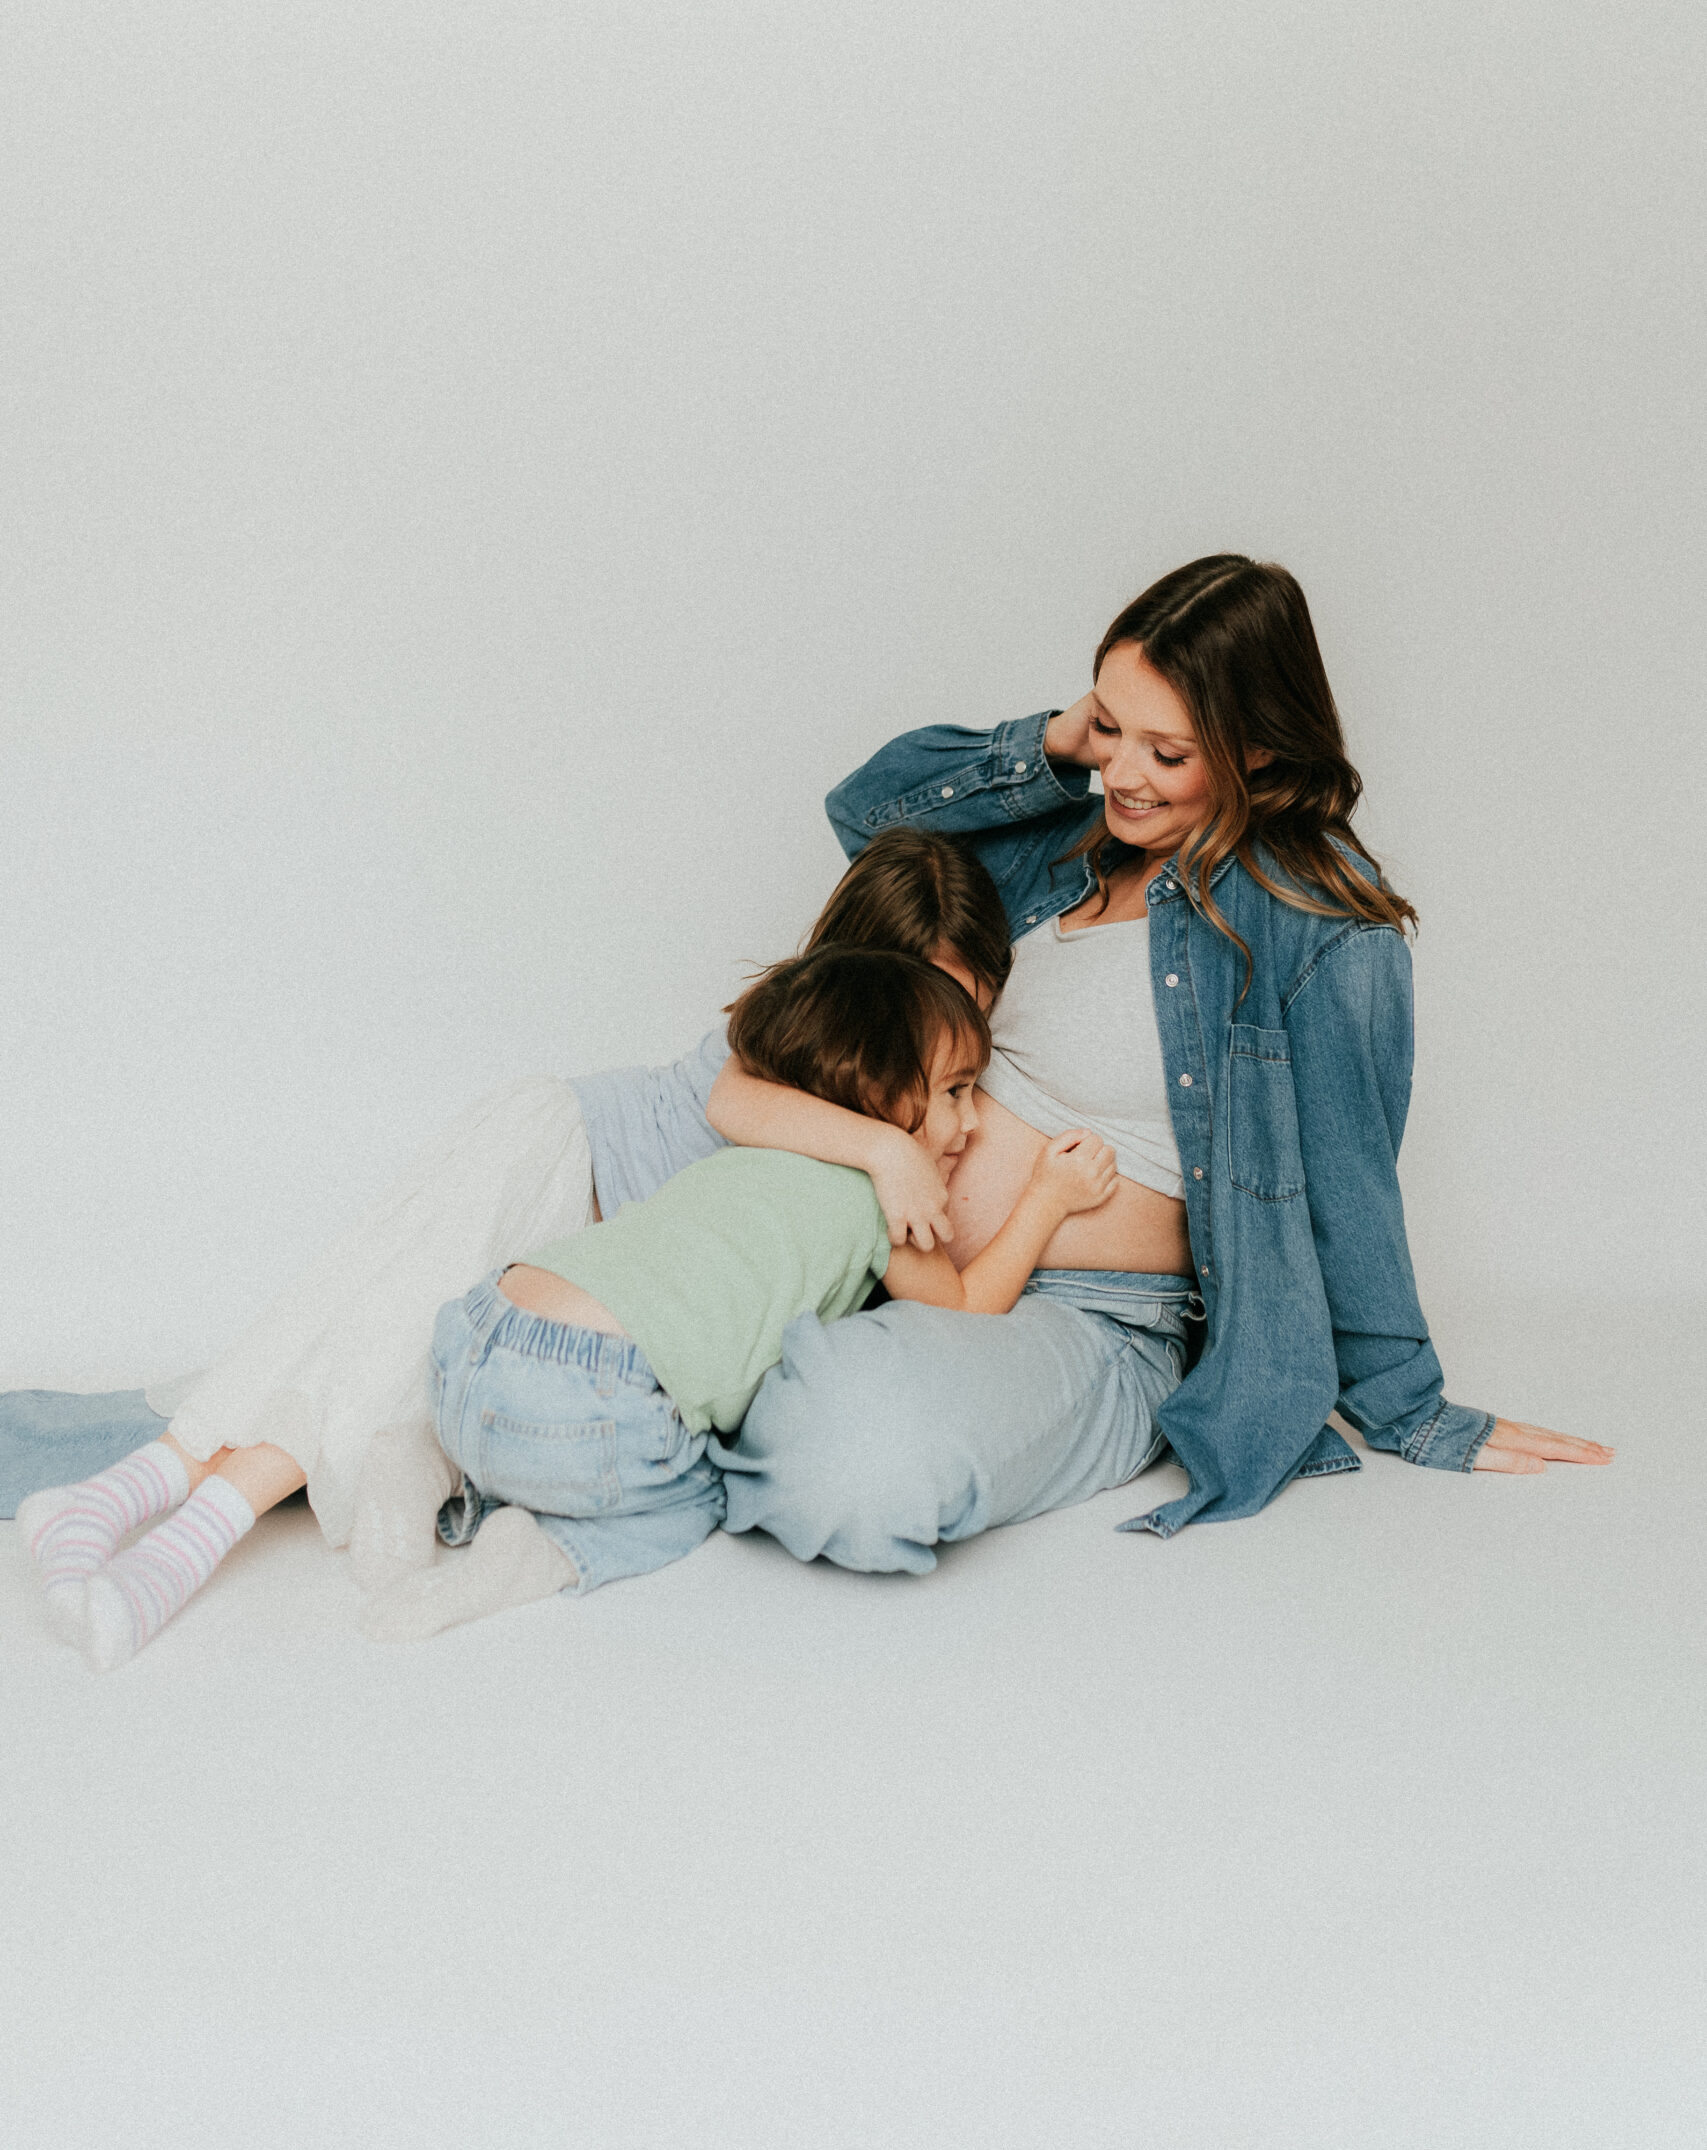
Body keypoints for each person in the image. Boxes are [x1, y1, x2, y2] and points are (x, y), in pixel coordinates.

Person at [702, 552, 1613, 1574]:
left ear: (1259, 754)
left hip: (1083, 1310)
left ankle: (676, 1411)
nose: (1122, 775)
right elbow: (868, 820)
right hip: (855, 1202)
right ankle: (619, 1386)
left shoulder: (1322, 924)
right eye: (1112, 728)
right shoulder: (1066, 838)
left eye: (1167, 751)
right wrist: (1049, 743)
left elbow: (1349, 1178)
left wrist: (1411, 1407)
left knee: (858, 1463)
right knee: (595, 1135)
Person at [34, 948, 1121, 1667]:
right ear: (880, 1091)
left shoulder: (768, 1121)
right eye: (959, 1091)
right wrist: (1047, 1197)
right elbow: (975, 1303)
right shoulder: (887, 1197)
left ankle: (419, 1460)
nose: (973, 1122)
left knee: (368, 1342)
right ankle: (519, 1556)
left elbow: (743, 1093)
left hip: (475, 1341)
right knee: (717, 1485)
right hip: (583, 1389)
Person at [9, 828, 1012, 1587]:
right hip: (554, 1162)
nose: (946, 1039)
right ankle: (144, 1507)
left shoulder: (887, 1124)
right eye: (925, 1002)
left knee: (364, 1364)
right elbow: (728, 1105)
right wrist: (886, 1147)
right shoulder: (788, 1068)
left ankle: (165, 1496)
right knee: (346, 1354)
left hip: (579, 1285)